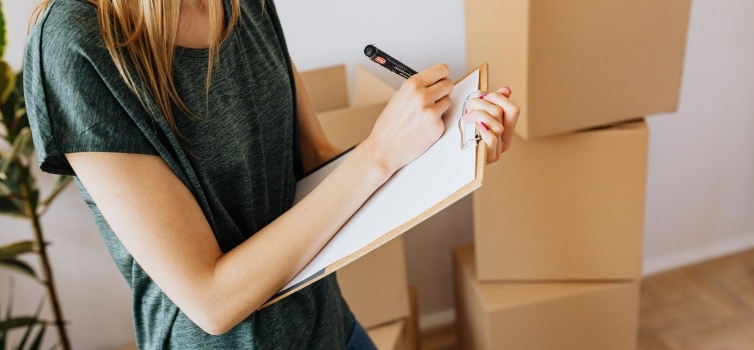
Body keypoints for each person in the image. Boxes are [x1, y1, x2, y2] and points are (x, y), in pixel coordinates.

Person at [24, 0, 519, 348]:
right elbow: (210, 299)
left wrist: (452, 147)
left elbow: (318, 164)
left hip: (327, 327)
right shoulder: (74, 43)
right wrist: (380, 152)